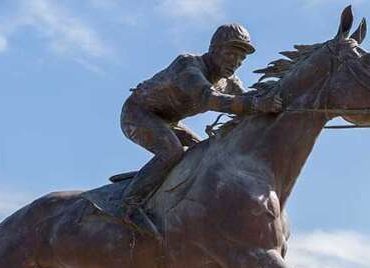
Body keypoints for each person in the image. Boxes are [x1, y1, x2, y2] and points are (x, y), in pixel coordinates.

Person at [119, 23, 283, 236]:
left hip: (169, 121)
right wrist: (256, 105)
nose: (236, 62)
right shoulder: (187, 65)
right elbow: (209, 99)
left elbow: (245, 100)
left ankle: (156, 181)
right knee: (172, 151)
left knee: (204, 151)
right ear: (214, 49)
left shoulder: (228, 80)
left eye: (241, 57)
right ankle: (129, 206)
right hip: (138, 114)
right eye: (231, 54)